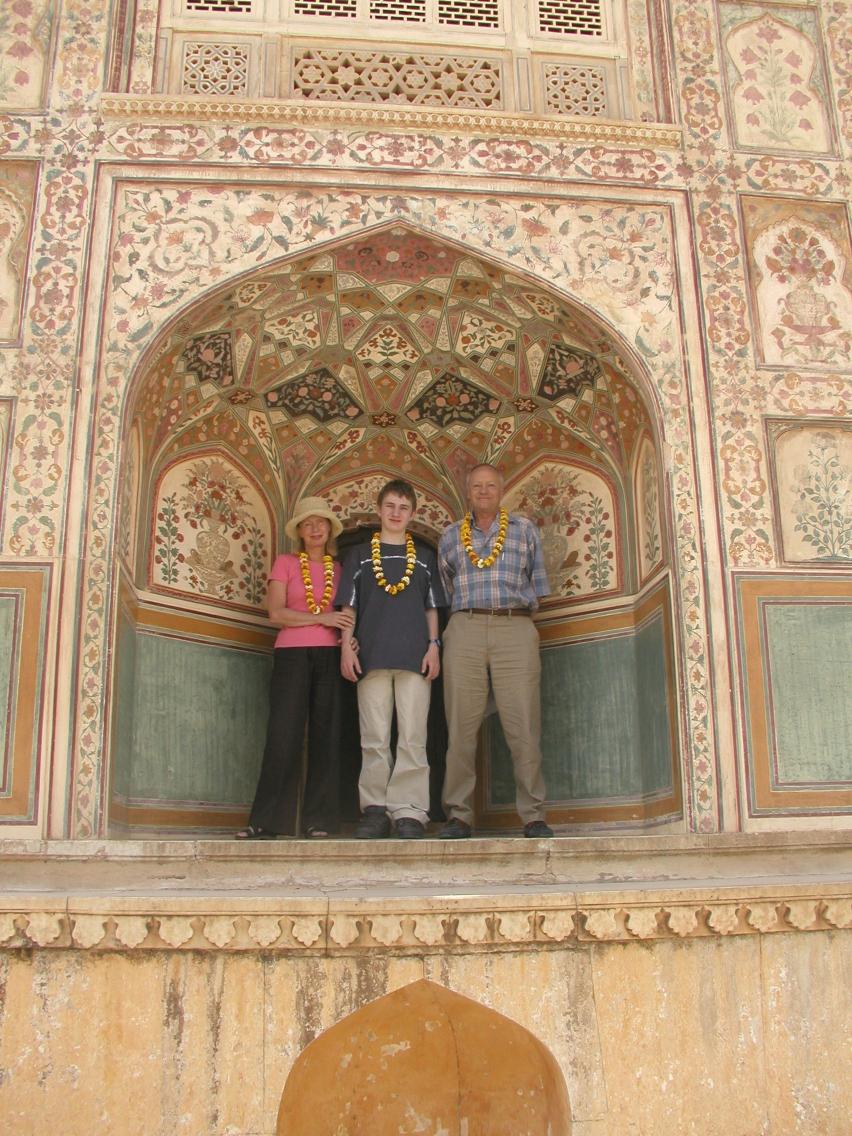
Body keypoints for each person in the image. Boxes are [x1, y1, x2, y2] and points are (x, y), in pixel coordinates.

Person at [437, 463, 554, 839]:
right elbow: (446, 589)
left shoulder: (524, 530)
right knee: (461, 728)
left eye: (490, 485)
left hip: (515, 627)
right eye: (476, 486)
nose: (484, 491)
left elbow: (538, 586)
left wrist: (516, 621)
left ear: (501, 490)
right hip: (465, 627)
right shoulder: (450, 536)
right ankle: (459, 815)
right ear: (467, 492)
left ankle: (533, 815)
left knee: (523, 726)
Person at [336, 479, 445, 839]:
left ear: (413, 514)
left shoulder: (425, 559)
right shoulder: (360, 555)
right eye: (390, 506)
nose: (396, 513)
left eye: (403, 507)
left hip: (415, 656)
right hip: (371, 654)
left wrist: (434, 646)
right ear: (379, 509)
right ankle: (375, 809)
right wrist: (345, 646)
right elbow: (348, 607)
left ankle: (410, 811)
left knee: (413, 736)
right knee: (375, 737)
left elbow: (432, 609)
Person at [237, 497, 352, 839]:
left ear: (330, 528)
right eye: (307, 523)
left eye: (321, 522)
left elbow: (349, 615)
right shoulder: (286, 563)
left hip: (330, 656)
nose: (315, 528)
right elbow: (276, 614)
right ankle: (265, 822)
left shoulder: (341, 568)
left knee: (326, 738)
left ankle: (320, 822)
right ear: (299, 531)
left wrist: (348, 640)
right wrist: (323, 617)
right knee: (283, 737)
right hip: (291, 655)